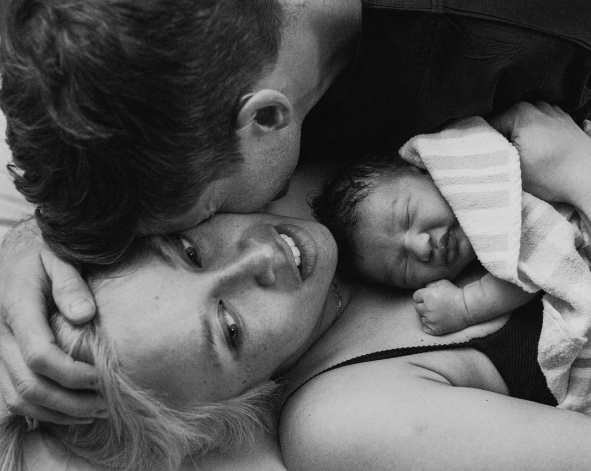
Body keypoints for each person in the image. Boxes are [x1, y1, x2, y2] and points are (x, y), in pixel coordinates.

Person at [3, 0, 591, 423]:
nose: (254, 243)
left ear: (266, 119)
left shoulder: (522, 41)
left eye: (198, 221)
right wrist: (35, 239)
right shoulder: (237, 70)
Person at [4, 151, 591, 469]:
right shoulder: (344, 420)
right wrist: (575, 168)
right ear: (239, 403)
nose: (257, 257)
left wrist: (37, 234)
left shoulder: (270, 178)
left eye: (188, 251)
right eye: (229, 327)